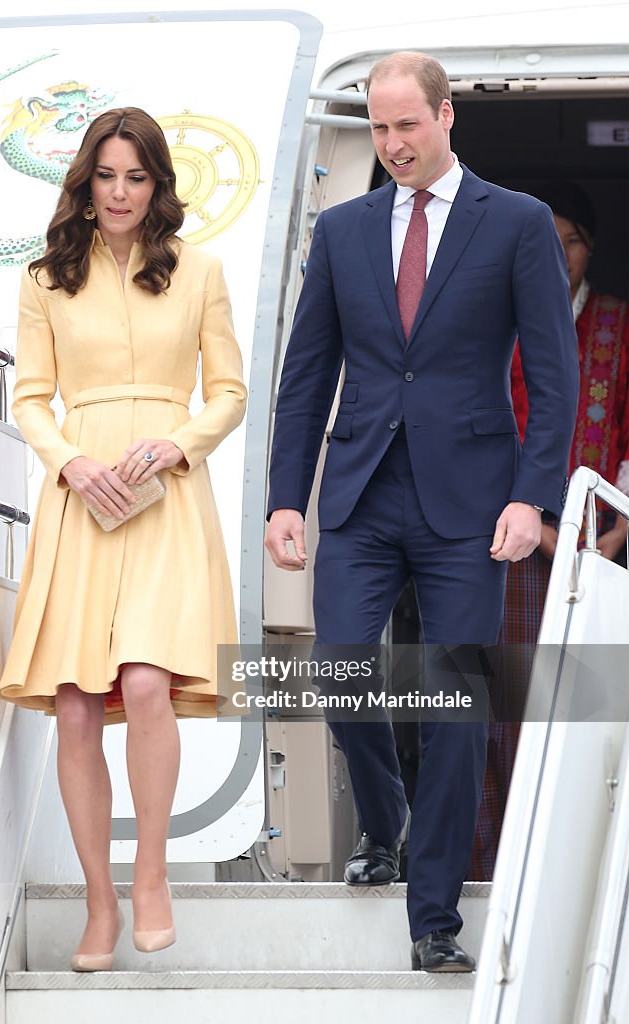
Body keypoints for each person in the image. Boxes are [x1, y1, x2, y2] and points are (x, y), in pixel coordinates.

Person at [264, 52, 578, 972]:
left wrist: (533, 495)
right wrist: (288, 497)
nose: (393, 143)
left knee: (452, 701)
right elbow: (306, 374)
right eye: (378, 127)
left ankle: (433, 916)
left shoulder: (516, 223)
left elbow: (554, 383)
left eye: (408, 124)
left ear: (447, 119)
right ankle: (386, 817)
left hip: (471, 503)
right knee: (343, 667)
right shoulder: (344, 229)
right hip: (360, 491)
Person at [0, 108, 246, 971]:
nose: (120, 192)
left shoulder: (200, 270)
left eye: (136, 177)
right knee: (74, 702)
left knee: (144, 683)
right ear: (85, 181)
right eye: (106, 175)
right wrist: (66, 461)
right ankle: (99, 905)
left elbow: (230, 391)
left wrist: (179, 445)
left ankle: (150, 878)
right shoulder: (44, 279)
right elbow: (31, 396)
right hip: (82, 494)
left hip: (165, 495)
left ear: (159, 185)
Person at [471, 181, 629, 880]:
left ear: (590, 247)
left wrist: (613, 537)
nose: (559, 252)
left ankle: (586, 866)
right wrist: (534, 531)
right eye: (547, 237)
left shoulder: (620, 325)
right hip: (512, 541)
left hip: (602, 545)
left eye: (572, 238)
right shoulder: (494, 324)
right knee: (512, 703)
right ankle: (505, 862)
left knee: (593, 707)